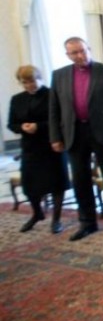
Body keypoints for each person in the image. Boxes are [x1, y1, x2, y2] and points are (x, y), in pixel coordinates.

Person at [49, 37, 103, 241]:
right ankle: (87, 222)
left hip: (102, 131)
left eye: (82, 51)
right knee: (81, 179)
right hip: (74, 133)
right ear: (68, 55)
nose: (80, 55)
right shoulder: (59, 75)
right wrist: (55, 137)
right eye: (74, 53)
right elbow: (54, 108)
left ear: (89, 49)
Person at [7, 66, 69, 233]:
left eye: (32, 81)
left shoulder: (52, 95)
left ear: (40, 78)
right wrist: (22, 127)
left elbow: (61, 120)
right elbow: (11, 124)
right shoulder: (17, 99)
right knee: (29, 184)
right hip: (30, 148)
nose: (29, 85)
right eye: (25, 82)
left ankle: (56, 219)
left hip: (52, 145)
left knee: (57, 184)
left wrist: (38, 126)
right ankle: (37, 213)